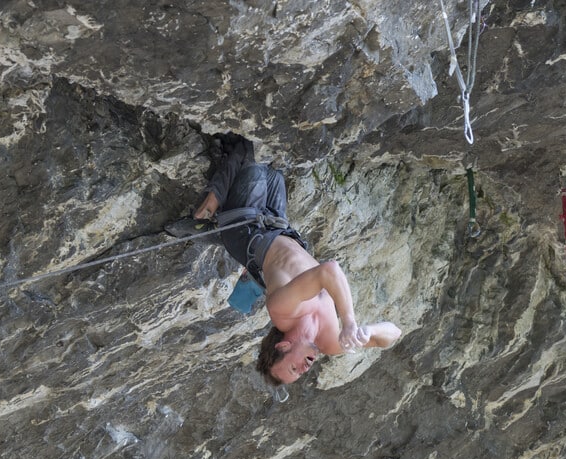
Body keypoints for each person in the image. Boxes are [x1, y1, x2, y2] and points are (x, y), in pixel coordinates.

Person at [167, 134, 401, 385]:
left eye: (294, 368)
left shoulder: (282, 310)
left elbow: (329, 271)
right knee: (275, 161)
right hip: (277, 223)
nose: (303, 370)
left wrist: (350, 321)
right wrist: (368, 332)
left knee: (252, 148)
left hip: (245, 230)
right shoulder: (330, 342)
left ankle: (210, 207)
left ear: (285, 345)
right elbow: (393, 335)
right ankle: (217, 212)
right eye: (299, 374)